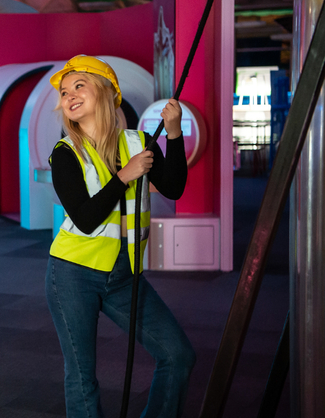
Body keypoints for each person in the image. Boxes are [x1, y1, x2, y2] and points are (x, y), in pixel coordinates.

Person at [46, 55, 195, 417]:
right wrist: (124, 177)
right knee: (82, 376)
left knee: (178, 355)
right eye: (65, 92)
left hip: (124, 276)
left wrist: (173, 133)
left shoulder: (138, 141)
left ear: (105, 92)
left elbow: (173, 188)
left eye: (79, 85)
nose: (70, 95)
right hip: (72, 274)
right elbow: (84, 219)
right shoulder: (65, 154)